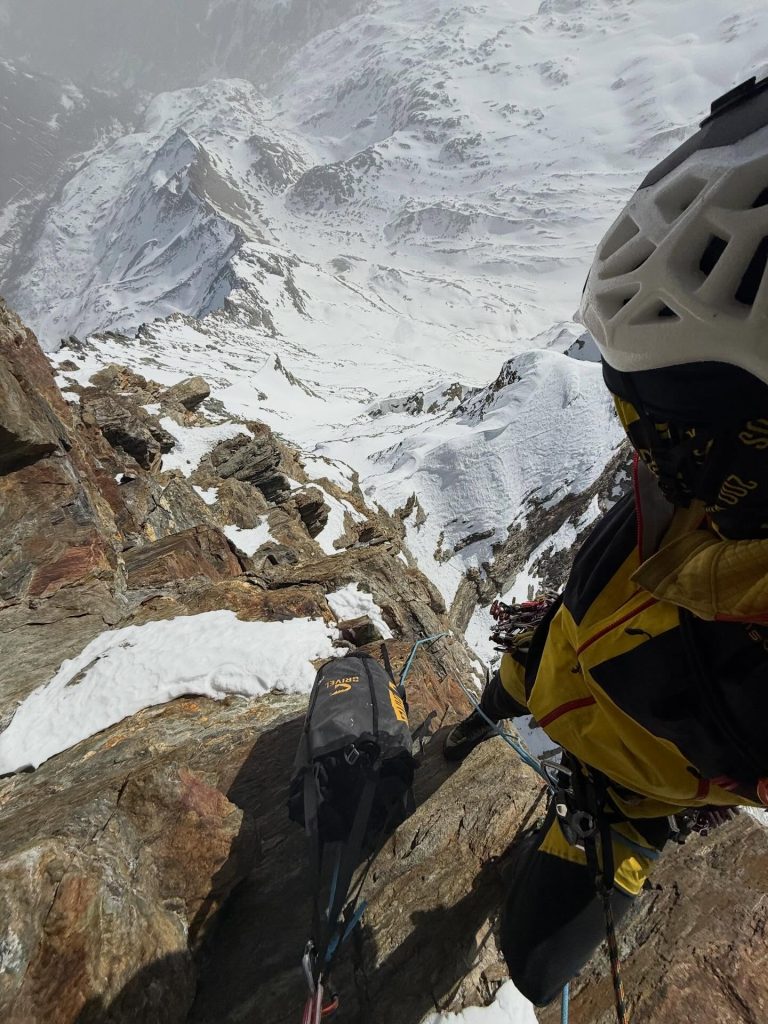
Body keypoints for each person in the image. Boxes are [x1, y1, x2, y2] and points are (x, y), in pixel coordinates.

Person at [444, 74, 768, 1006]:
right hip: (568, 650)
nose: (648, 452)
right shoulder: (714, 488)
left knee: (532, 959)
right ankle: (483, 719)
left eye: (675, 429)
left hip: (634, 794)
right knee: (502, 698)